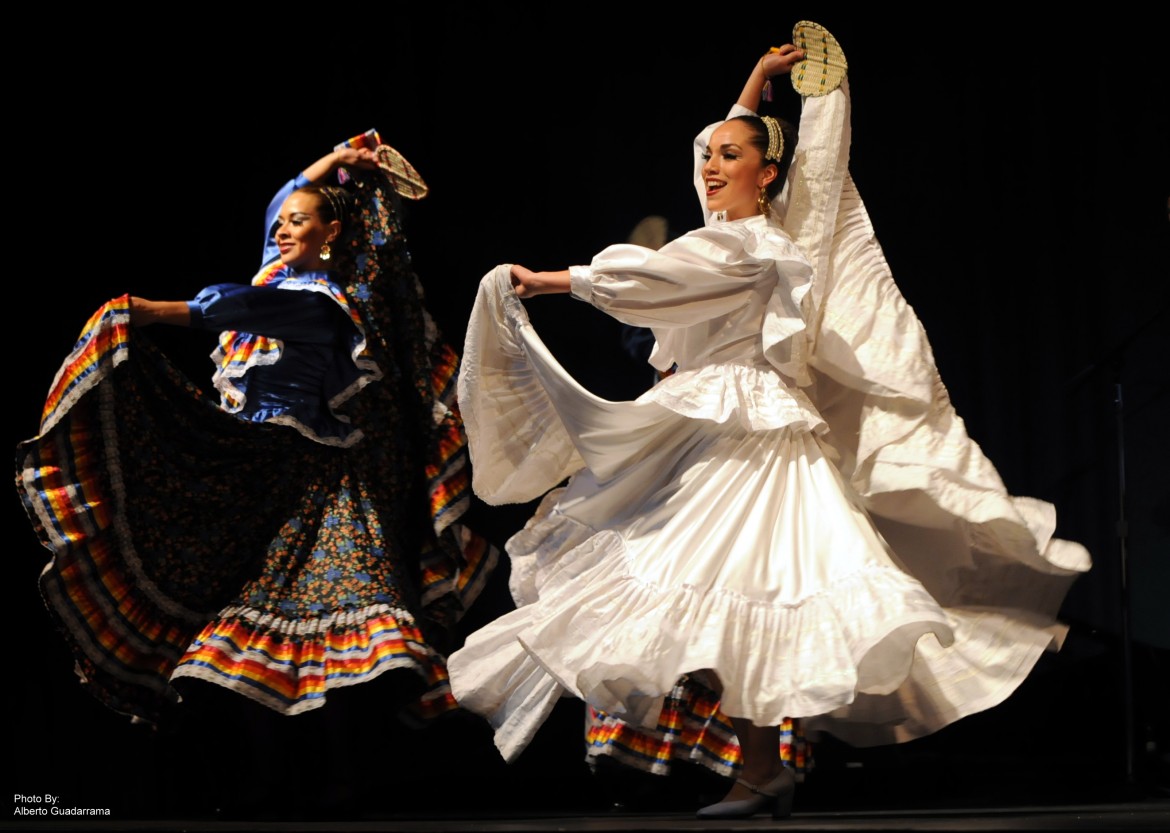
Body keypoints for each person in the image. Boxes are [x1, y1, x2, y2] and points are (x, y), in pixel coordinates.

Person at [446, 22, 1090, 821]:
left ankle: (769, 760)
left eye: (729, 156)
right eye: (707, 156)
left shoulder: (755, 248)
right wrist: (755, 77)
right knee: (725, 595)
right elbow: (705, 185)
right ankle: (756, 768)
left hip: (755, 439)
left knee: (754, 587)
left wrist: (546, 281)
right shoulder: (728, 229)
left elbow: (656, 277)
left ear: (769, 173)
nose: (710, 167)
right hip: (714, 431)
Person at [16, 136, 496, 727]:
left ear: (332, 234)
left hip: (311, 476)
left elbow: (233, 309)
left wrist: (143, 309)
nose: (283, 229)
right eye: (283, 223)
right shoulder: (282, 274)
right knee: (232, 595)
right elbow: (279, 208)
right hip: (259, 463)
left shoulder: (322, 303)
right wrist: (340, 156)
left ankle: (343, 760)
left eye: (301, 222)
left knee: (323, 612)